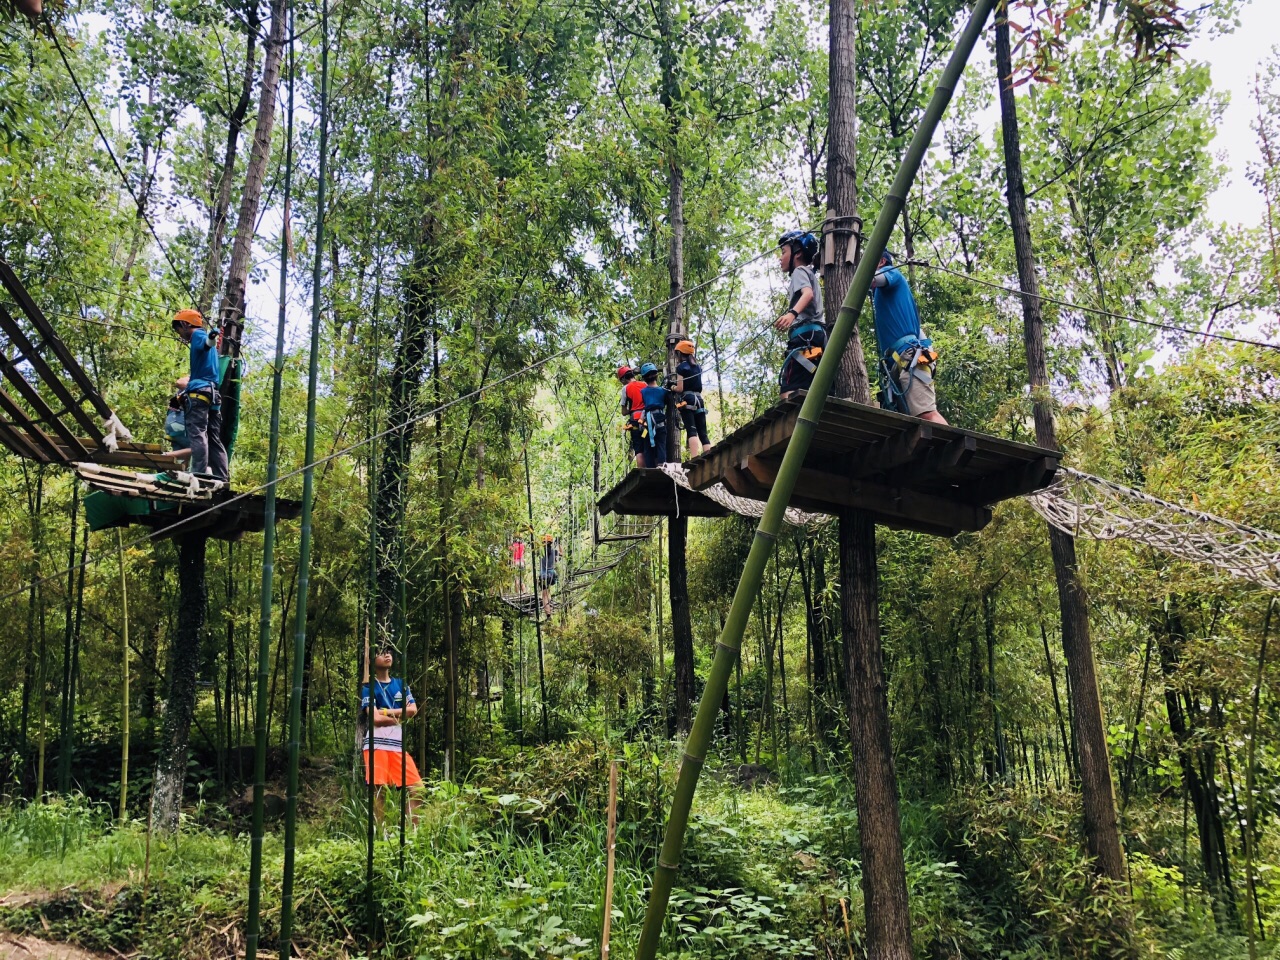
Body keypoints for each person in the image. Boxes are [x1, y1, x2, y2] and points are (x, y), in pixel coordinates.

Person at [869, 250, 947, 424]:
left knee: (926, 413)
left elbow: (874, 279)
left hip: (909, 356)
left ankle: (953, 445)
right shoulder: (885, 297)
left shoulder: (892, 272)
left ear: (881, 261)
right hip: (897, 361)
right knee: (908, 423)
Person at [360, 646, 424, 823]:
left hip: (397, 746)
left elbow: (413, 710)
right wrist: (400, 716)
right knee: (379, 792)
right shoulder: (369, 688)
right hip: (376, 745)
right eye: (381, 652)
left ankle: (411, 833)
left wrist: (386, 712)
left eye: (389, 651)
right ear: (371, 661)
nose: (387, 654)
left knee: (418, 789)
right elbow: (374, 719)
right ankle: (381, 834)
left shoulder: (401, 685)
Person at [171, 309, 230, 481]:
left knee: (198, 434)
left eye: (179, 329)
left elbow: (206, 343)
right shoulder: (206, 344)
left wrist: (211, 338)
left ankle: (197, 474)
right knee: (213, 438)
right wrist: (211, 338)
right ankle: (221, 476)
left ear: (185, 324)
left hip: (199, 393)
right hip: (212, 394)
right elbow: (208, 345)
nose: (180, 334)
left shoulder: (197, 335)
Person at [773, 230, 826, 398]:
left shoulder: (799, 271)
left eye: (783, 252)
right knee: (810, 390)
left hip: (805, 338)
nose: (780, 258)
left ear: (798, 253)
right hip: (816, 338)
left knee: (788, 393)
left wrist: (792, 314)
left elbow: (807, 294)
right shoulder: (810, 273)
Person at [673, 340, 711, 458]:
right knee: (703, 433)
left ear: (680, 353)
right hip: (699, 400)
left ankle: (694, 458)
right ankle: (708, 457)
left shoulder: (681, 368)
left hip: (687, 399)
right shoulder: (697, 367)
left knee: (692, 430)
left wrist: (672, 386)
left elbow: (680, 388)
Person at [638, 362, 672, 468]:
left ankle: (650, 468)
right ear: (656, 376)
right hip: (660, 421)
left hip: (647, 423)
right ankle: (662, 466)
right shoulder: (664, 391)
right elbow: (668, 402)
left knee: (647, 446)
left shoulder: (643, 392)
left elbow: (643, 405)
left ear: (644, 378)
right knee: (661, 444)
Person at [618, 365, 646, 468]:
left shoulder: (626, 388)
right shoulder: (644, 384)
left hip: (635, 421)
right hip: (646, 420)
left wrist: (632, 409)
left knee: (639, 448)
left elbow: (624, 411)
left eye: (621, 380)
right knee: (648, 442)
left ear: (624, 378)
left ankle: (642, 471)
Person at [537, 534, 560, 617]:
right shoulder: (555, 552)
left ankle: (548, 614)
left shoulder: (540, 552)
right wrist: (558, 544)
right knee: (548, 591)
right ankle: (550, 609)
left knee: (544, 595)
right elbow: (561, 555)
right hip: (552, 575)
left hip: (544, 576)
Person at [164, 376, 189, 451]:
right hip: (180, 425)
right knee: (199, 447)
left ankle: (176, 459)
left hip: (172, 424)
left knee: (180, 459)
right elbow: (179, 382)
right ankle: (166, 455)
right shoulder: (197, 383)